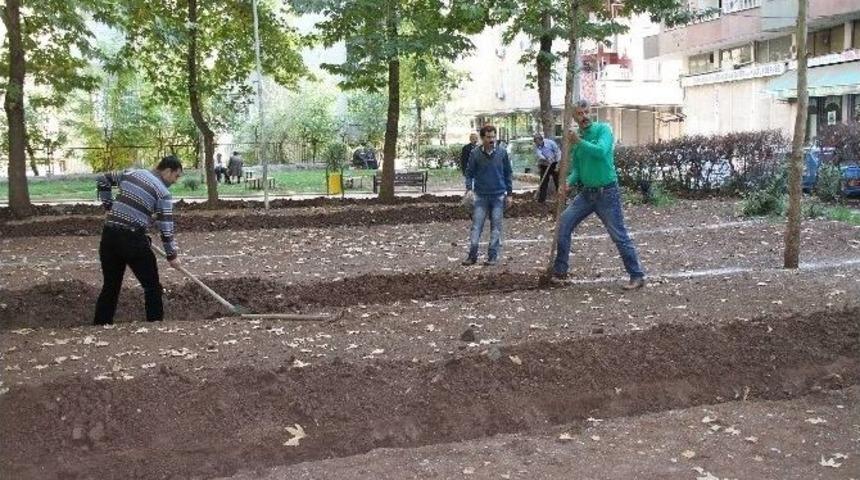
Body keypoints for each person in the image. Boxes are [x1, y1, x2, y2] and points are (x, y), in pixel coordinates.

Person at [552, 100, 646, 290]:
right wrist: (567, 184)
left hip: (607, 193)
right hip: (586, 194)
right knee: (563, 224)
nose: (584, 116)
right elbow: (577, 170)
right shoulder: (577, 142)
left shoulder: (603, 130)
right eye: (579, 113)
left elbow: (601, 152)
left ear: (591, 113)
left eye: (586, 112)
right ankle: (560, 271)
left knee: (619, 235)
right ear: (574, 117)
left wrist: (578, 141)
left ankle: (636, 275)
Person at [93, 155, 184, 325]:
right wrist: (172, 256)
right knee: (152, 287)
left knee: (111, 286)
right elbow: (166, 227)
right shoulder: (163, 193)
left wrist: (108, 207)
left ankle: (101, 324)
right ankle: (155, 324)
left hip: (109, 236)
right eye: (176, 176)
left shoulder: (132, 173)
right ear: (167, 171)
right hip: (132, 240)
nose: (175, 181)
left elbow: (102, 179)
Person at [462, 124, 513, 267]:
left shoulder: (502, 153)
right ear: (482, 138)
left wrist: (509, 194)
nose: (492, 140)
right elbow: (469, 173)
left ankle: (492, 256)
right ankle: (472, 255)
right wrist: (469, 189)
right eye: (488, 137)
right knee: (476, 226)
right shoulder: (475, 154)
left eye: (493, 137)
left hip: (498, 196)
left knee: (496, 227)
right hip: (480, 196)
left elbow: (508, 173)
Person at [533, 133, 560, 203]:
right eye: (536, 143)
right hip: (544, 164)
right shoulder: (536, 145)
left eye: (538, 143)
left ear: (541, 140)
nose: (537, 145)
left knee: (557, 182)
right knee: (543, 182)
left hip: (554, 163)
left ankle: (562, 199)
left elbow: (558, 152)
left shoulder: (550, 143)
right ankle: (541, 200)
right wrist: (546, 159)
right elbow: (539, 154)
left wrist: (557, 163)